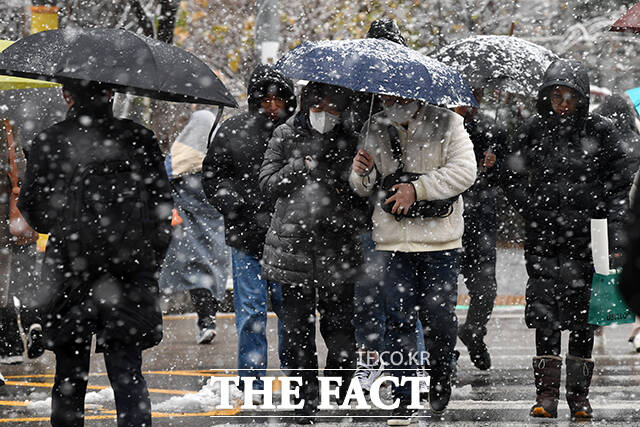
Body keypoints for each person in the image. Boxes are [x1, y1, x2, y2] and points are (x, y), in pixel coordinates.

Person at [19, 82, 172, 427]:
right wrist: (147, 259)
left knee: (69, 379)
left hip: (69, 274)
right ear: (112, 94)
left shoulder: (50, 143)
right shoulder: (138, 138)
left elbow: (38, 217)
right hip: (128, 274)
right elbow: (161, 208)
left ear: (65, 95)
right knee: (128, 375)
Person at [503, 59, 632, 420]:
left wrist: (609, 219)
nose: (562, 103)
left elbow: (620, 177)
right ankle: (546, 396)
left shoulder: (600, 131)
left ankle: (579, 397)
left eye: (569, 97)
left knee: (581, 317)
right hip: (543, 237)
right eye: (556, 95)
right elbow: (510, 176)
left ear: (581, 98)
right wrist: (530, 208)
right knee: (544, 313)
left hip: (586, 239)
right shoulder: (532, 130)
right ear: (546, 96)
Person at [350, 94, 477, 424]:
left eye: (401, 96)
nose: (395, 101)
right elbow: (363, 187)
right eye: (388, 96)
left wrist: (417, 189)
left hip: (441, 242)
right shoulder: (373, 126)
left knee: (439, 316)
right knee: (398, 318)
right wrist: (361, 173)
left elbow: (465, 172)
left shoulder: (448, 121)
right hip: (392, 241)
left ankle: (440, 375)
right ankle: (404, 393)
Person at [260, 82, 365, 421]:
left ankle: (338, 387)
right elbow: (267, 184)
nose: (324, 113)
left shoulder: (353, 137)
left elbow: (364, 198)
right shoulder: (285, 133)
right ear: (306, 105)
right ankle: (305, 399)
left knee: (340, 329)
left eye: (332, 106)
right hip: (293, 248)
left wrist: (357, 173)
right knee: (296, 331)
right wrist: (299, 166)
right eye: (317, 105)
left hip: (339, 247)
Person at [202, 65, 296, 394]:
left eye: (278, 99)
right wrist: (235, 205)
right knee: (252, 312)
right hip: (247, 236)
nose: (272, 106)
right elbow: (213, 177)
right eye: (266, 99)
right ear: (255, 99)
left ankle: (296, 375)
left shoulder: (297, 132)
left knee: (291, 313)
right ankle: (252, 380)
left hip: (289, 238)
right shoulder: (233, 131)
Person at [160, 109, 230, 345]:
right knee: (212, 270)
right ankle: (209, 318)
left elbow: (164, 178)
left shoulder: (179, 154)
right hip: (215, 224)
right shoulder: (218, 154)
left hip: (188, 225)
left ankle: (205, 321)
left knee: (194, 271)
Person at [455, 88, 508, 371]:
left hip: (482, 221)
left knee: (485, 289)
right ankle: (443, 350)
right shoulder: (441, 128)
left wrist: (494, 164)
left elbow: (508, 175)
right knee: (441, 294)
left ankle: (474, 331)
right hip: (448, 221)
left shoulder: (492, 130)